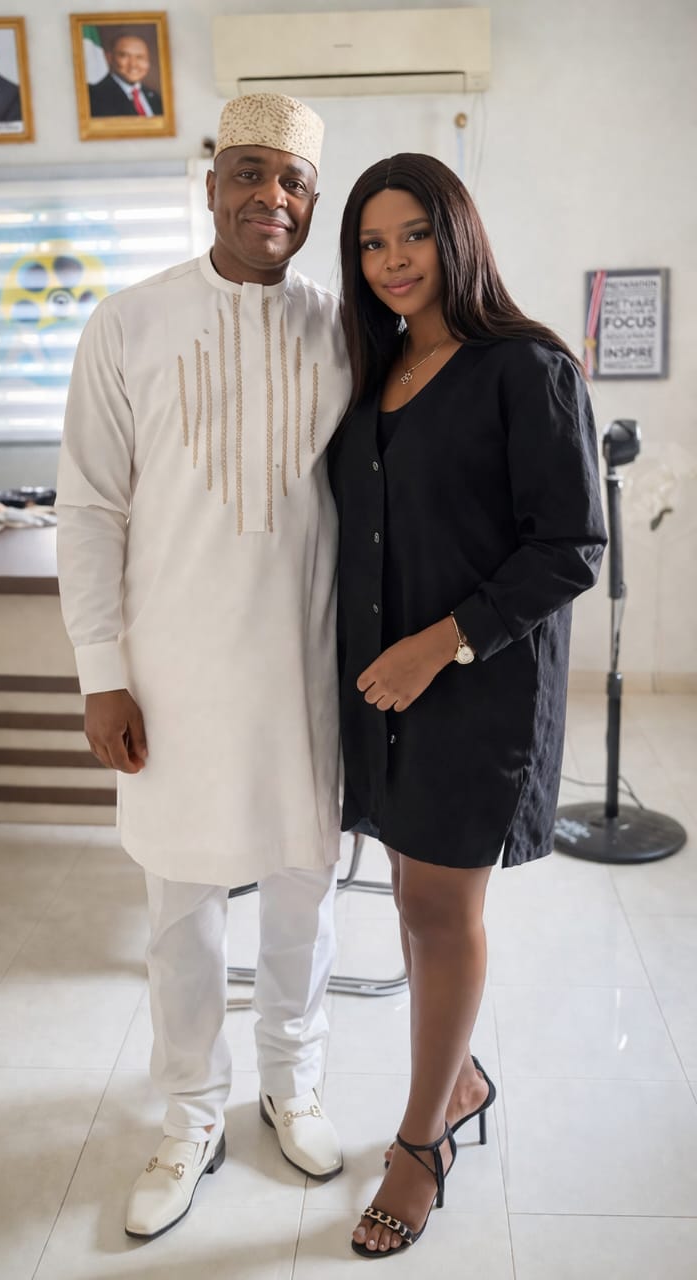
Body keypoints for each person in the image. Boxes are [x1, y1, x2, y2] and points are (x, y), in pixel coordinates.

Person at [56, 92, 351, 1242]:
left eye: (293, 181)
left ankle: (292, 1079)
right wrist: (101, 671)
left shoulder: (343, 328)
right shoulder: (128, 322)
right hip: (170, 678)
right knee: (181, 907)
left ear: (312, 202)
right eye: (249, 172)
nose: (270, 196)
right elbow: (91, 507)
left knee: (303, 891)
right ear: (212, 181)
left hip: (305, 673)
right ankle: (188, 1113)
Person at [329, 153, 607, 1257]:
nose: (393, 260)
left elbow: (571, 546)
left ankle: (421, 1145)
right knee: (412, 901)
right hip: (386, 686)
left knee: (443, 911)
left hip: (474, 683)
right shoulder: (378, 370)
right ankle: (462, 1081)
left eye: (413, 234)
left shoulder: (525, 369)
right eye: (371, 242)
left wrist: (438, 644)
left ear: (457, 235)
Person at [88, 32, 163, 117]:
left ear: (148, 61)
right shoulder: (94, 96)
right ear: (109, 58)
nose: (133, 65)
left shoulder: (155, 97)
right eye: (124, 56)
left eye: (140, 57)